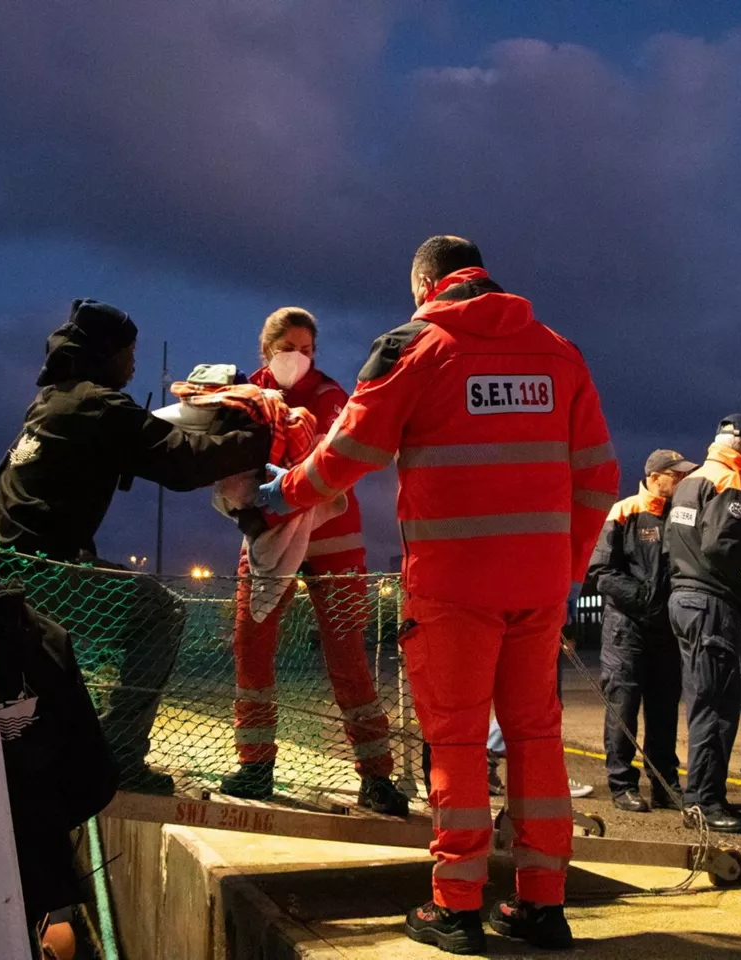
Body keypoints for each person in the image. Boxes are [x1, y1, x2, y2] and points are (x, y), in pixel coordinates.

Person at [258, 236, 619, 953]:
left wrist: (286, 494)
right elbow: (599, 476)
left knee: (455, 739)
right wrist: (564, 566)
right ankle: (542, 906)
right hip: (540, 586)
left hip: (454, 588)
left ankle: (456, 907)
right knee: (536, 737)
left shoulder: (416, 346)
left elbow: (352, 450)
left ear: (425, 283)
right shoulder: (559, 352)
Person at [0, 299, 271, 794]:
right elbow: (180, 463)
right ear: (107, 353)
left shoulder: (54, 399)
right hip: (41, 572)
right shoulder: (100, 405)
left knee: (78, 639)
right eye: (128, 351)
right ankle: (121, 757)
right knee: (160, 613)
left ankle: (74, 744)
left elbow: (141, 440)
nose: (134, 363)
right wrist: (257, 436)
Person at [219, 307, 408, 817]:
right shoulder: (246, 393)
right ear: (267, 351)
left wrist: (282, 489)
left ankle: (376, 775)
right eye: (288, 349)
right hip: (266, 536)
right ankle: (255, 765)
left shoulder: (330, 396)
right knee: (250, 645)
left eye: (306, 350)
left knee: (347, 653)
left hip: (333, 536)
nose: (298, 359)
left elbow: (339, 455)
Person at [664, 414, 741, 834]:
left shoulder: (689, 481)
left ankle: (698, 798)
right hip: (711, 603)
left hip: (683, 598)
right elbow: (723, 546)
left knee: (702, 704)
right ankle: (707, 802)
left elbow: (675, 544)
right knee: (717, 709)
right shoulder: (730, 480)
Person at [586, 449, 697, 813]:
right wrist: (646, 600)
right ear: (654, 477)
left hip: (666, 632)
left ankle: (664, 785)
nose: (680, 480)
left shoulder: (681, 515)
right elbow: (601, 572)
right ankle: (622, 784)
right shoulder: (625, 511)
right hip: (627, 631)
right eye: (674, 474)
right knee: (623, 708)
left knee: (664, 712)